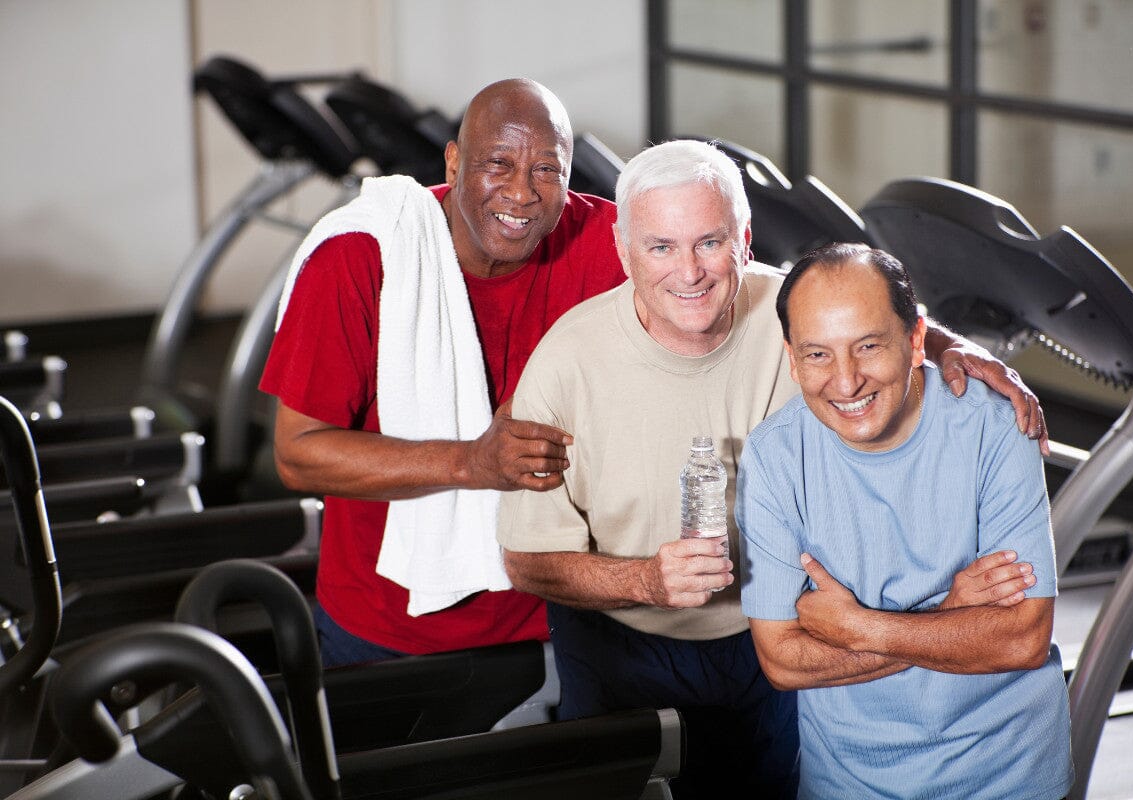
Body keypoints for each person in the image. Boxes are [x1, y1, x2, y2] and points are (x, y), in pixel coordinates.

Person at [497, 141, 1049, 799]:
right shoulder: (565, 363)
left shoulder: (796, 315)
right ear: (622, 251)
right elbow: (527, 560)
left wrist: (967, 353)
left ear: (745, 240)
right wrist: (643, 578)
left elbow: (880, 323)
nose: (690, 272)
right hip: (626, 643)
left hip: (782, 626)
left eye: (709, 242)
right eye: (661, 247)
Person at [260, 77, 628, 665]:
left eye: (546, 171)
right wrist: (474, 462)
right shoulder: (362, 255)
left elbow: (727, 277)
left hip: (558, 618)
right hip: (387, 626)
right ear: (453, 164)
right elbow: (297, 453)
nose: (522, 193)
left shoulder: (610, 244)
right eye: (498, 164)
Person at [738, 242, 1072, 799]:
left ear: (917, 340)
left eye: (868, 347)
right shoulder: (773, 457)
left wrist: (856, 626)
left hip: (1009, 776)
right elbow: (783, 661)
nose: (846, 383)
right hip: (849, 784)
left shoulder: (995, 424)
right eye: (817, 355)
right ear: (792, 359)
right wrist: (951, 613)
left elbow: (1021, 639)